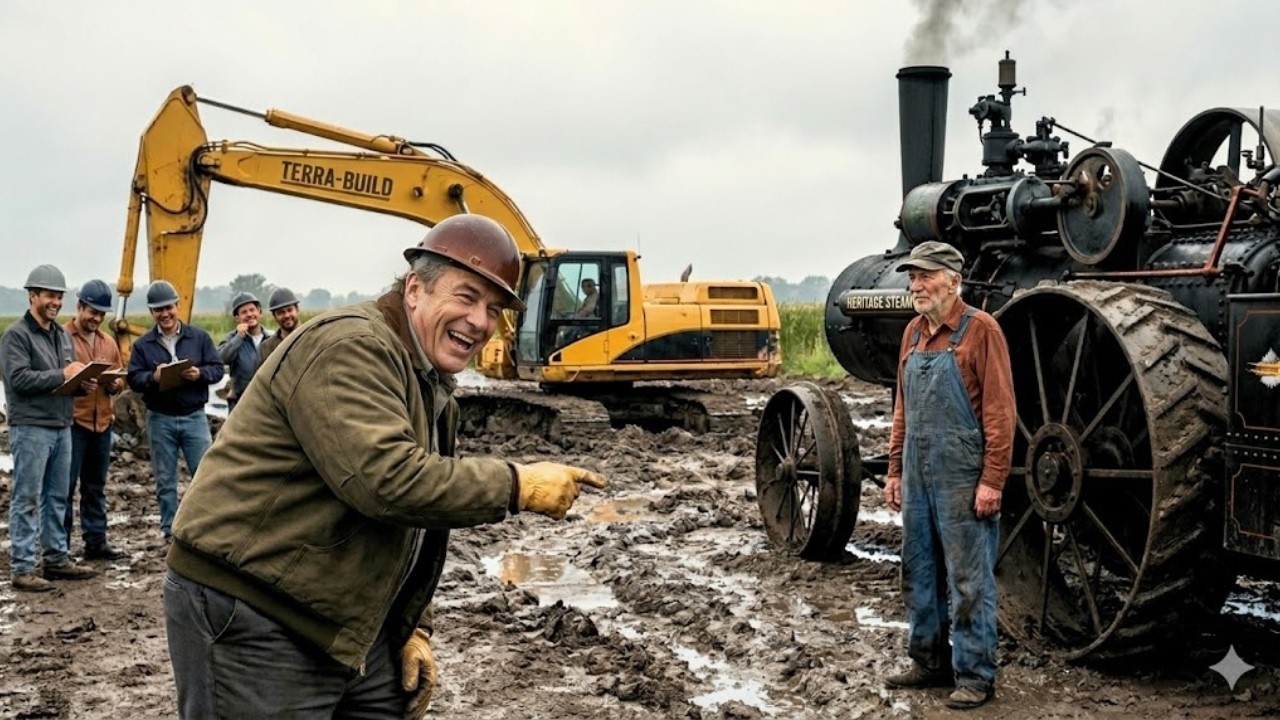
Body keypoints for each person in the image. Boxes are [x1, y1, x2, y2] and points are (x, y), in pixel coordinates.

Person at [163, 214, 609, 718]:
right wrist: (516, 483)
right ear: (415, 289)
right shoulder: (352, 346)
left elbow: (415, 523)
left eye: (494, 308)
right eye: (466, 297)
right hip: (254, 609)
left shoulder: (430, 382)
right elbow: (386, 482)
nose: (481, 322)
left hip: (340, 617)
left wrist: (413, 627)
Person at [882, 241, 1014, 710]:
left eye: (925, 277)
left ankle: (976, 675)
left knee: (968, 578)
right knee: (917, 569)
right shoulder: (913, 334)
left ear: (953, 281)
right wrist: (895, 469)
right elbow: (902, 408)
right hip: (918, 472)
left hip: (962, 473)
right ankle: (927, 661)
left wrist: (993, 480)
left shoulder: (981, 331)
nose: (916, 286)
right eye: (912, 277)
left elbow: (1000, 414)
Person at [1, 264, 101, 592]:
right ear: (33, 296)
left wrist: (81, 385)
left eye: (59, 295)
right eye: (49, 295)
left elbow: (64, 377)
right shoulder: (16, 336)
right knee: (27, 497)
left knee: (58, 495)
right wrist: (64, 375)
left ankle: (56, 558)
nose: (56, 301)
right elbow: (18, 379)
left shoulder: (61, 335)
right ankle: (23, 567)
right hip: (31, 427)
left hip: (62, 424)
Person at [126, 279, 224, 543]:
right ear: (151, 313)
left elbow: (217, 369)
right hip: (160, 419)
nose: (165, 314)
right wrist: (154, 378)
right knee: (165, 479)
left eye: (169, 308)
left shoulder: (199, 338)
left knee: (203, 474)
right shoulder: (143, 345)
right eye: (158, 310)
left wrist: (199, 373)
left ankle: (206, 526)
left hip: (194, 417)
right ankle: (170, 530)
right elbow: (133, 378)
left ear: (178, 306)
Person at [63, 279, 127, 560]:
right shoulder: (62, 337)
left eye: (101, 314)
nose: (96, 318)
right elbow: (57, 377)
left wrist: (115, 386)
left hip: (103, 422)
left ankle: (96, 542)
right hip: (73, 423)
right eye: (92, 312)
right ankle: (59, 547)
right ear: (79, 306)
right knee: (64, 488)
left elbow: (118, 376)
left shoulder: (107, 342)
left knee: (95, 487)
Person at [217, 291, 270, 412]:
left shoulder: (272, 338)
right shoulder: (231, 339)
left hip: (267, 402)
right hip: (239, 403)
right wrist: (239, 337)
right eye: (244, 312)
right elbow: (220, 359)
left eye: (252, 310)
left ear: (260, 312)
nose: (249, 314)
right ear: (237, 318)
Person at [257, 286, 301, 365]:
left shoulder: (312, 337)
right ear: (274, 316)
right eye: (281, 312)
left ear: (297, 309)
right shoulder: (267, 347)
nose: (286, 315)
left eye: (289, 310)